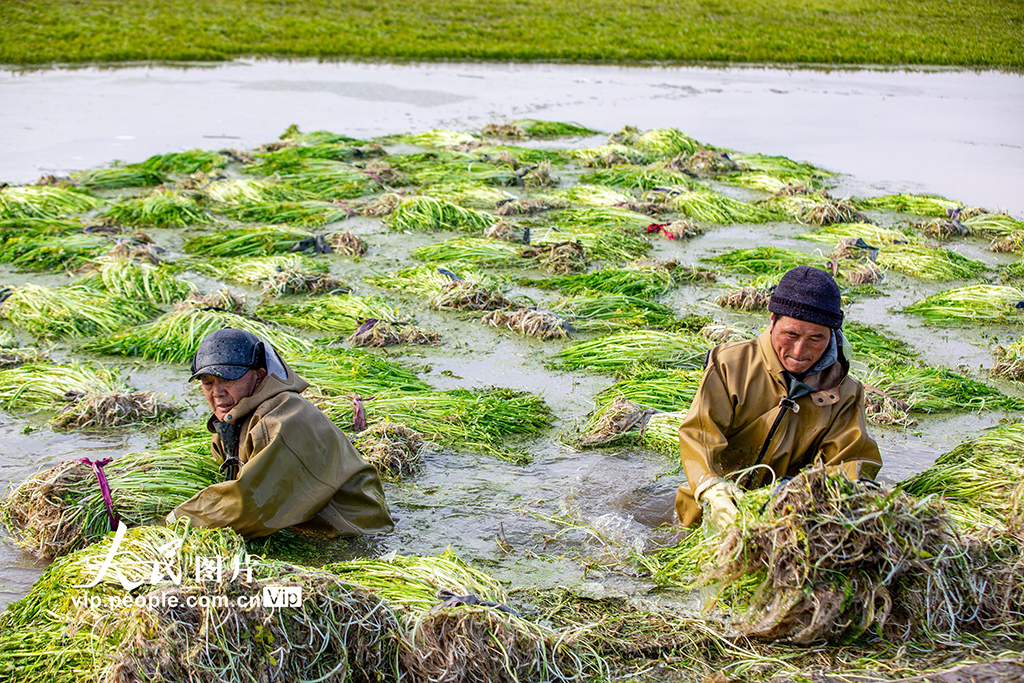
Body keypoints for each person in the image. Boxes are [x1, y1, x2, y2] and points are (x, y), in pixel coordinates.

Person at [675, 266, 882, 530]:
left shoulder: (845, 392)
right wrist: (711, 487)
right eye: (791, 335)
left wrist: (802, 493)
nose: (800, 351)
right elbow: (700, 433)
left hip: (788, 519)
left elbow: (852, 462)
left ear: (832, 335)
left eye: (816, 338)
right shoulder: (731, 364)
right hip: (710, 507)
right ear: (772, 321)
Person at [166, 328, 394, 538]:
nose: (217, 393)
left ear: (259, 374)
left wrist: (176, 521)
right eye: (207, 383)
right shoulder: (237, 418)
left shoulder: (282, 419)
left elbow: (252, 504)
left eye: (227, 379)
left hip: (355, 534)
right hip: (313, 527)